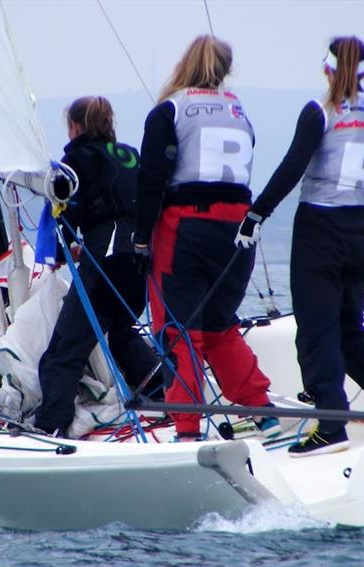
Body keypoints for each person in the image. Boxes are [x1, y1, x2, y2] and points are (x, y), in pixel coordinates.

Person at [235, 36, 364, 456]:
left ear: (327, 69)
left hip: (320, 231)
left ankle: (331, 427)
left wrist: (256, 214)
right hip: (361, 232)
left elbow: (292, 168)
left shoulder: (319, 111)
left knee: (317, 331)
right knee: (349, 330)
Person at [133, 35, 280, 442]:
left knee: (177, 329)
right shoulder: (238, 111)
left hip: (186, 228)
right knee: (218, 326)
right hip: (238, 230)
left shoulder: (170, 110)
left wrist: (141, 240)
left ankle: (186, 429)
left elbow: (151, 180)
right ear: (224, 70)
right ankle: (261, 408)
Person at [34, 96, 162, 437]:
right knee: (121, 334)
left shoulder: (75, 160)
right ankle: (165, 396)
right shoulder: (131, 155)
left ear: (75, 126)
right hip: (139, 263)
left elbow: (66, 214)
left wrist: (60, 254)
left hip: (105, 263)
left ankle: (50, 429)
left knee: (64, 351)